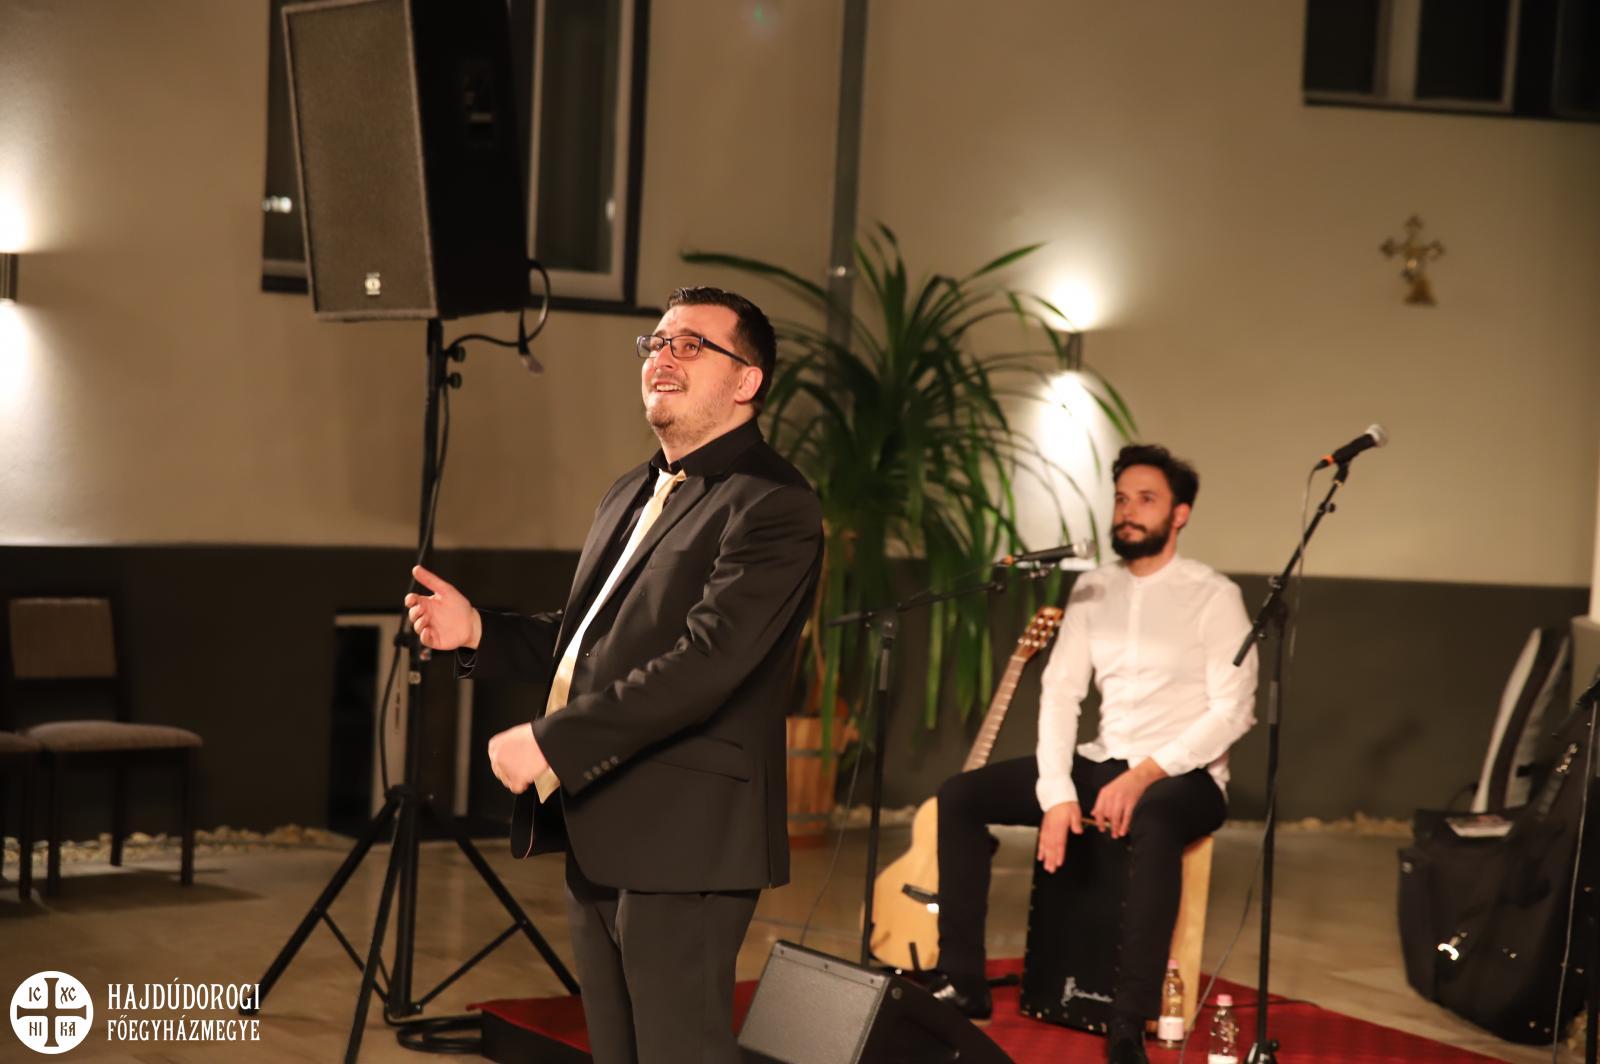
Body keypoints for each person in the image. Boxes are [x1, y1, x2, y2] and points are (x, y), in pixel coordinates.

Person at [403, 286, 823, 1064]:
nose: (663, 357)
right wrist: (481, 631)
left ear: (747, 380)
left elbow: (707, 664)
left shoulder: (774, 504)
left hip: (689, 833)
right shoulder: (631, 490)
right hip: (601, 819)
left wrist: (552, 741)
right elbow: (592, 643)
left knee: (679, 1052)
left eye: (691, 345)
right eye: (656, 343)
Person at [926, 443, 1258, 1064]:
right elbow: (1060, 693)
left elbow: (1233, 710)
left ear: (1180, 514)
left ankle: (1127, 1022)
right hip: (1103, 757)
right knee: (961, 795)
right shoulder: (1092, 589)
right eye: (1122, 498)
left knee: (1152, 816)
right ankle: (962, 980)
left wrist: (1145, 775)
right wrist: (1056, 793)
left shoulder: (1214, 596)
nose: (1128, 511)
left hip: (1185, 774)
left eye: (1146, 499)